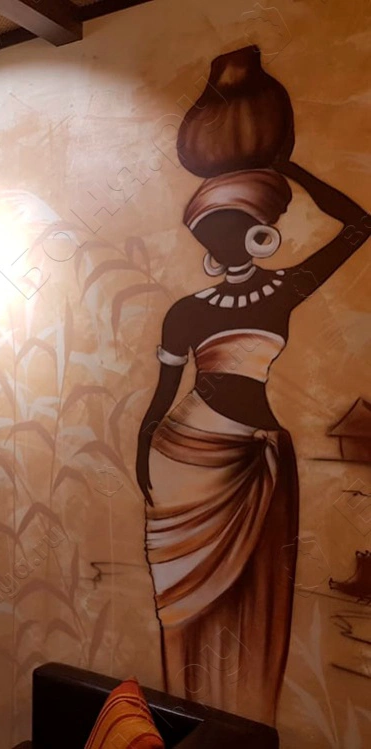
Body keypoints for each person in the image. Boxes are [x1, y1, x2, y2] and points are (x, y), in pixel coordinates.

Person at [136, 161, 368, 724]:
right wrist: (143, 453)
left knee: (257, 591)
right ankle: (189, 711)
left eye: (231, 227)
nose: (218, 240)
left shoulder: (284, 289)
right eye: (208, 233)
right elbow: (164, 394)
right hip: (182, 459)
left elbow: (360, 225)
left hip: (257, 457)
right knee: (186, 605)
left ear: (258, 233)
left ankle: (245, 719)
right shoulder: (185, 312)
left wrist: (290, 167)